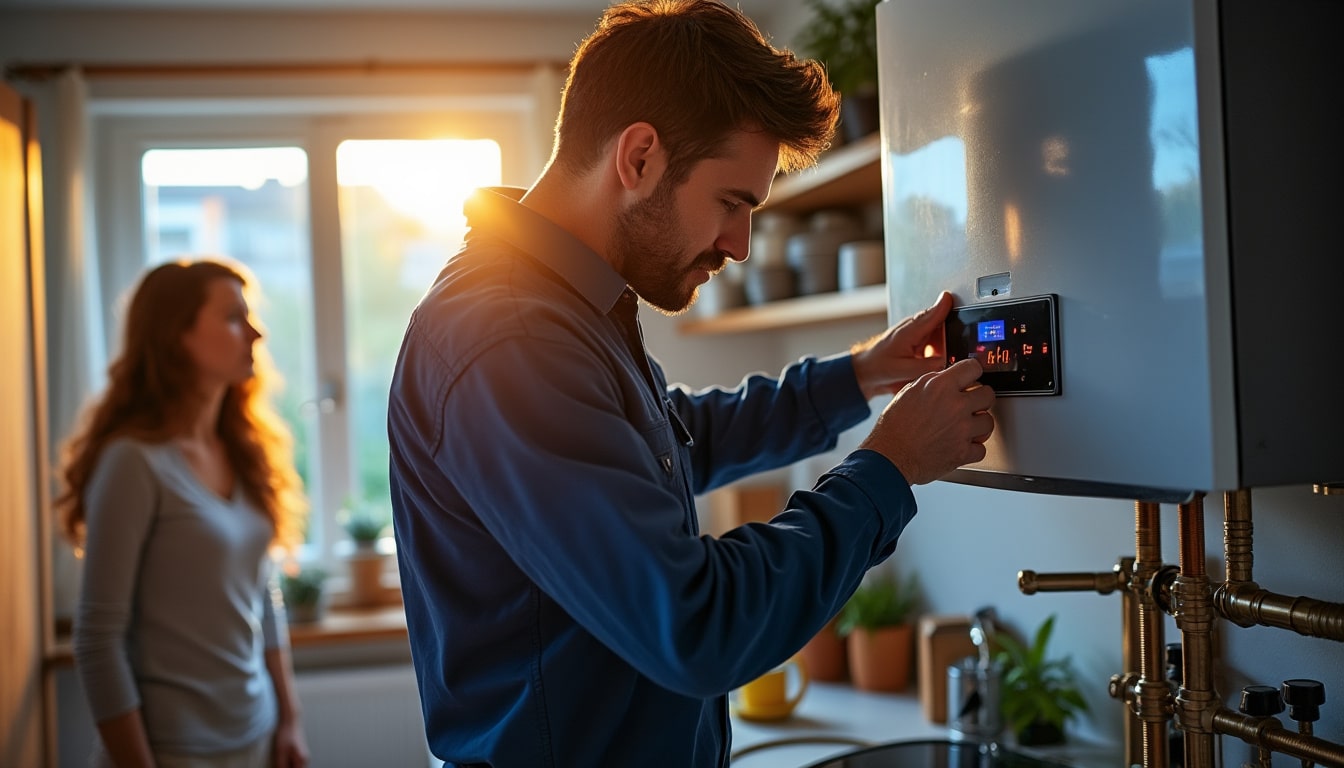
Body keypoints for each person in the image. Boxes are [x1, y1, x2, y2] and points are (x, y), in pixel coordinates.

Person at [387, 1, 995, 765]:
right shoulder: (512, 337)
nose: (739, 246)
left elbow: (678, 438)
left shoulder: (564, 309)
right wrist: (889, 468)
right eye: (732, 203)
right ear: (639, 157)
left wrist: (863, 374)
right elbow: (696, 627)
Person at [57, 258, 311, 768]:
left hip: (258, 740)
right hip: (172, 752)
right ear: (177, 335)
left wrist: (289, 721)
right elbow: (97, 639)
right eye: (233, 318)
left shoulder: (242, 450)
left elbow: (262, 596)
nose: (256, 332)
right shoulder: (134, 462)